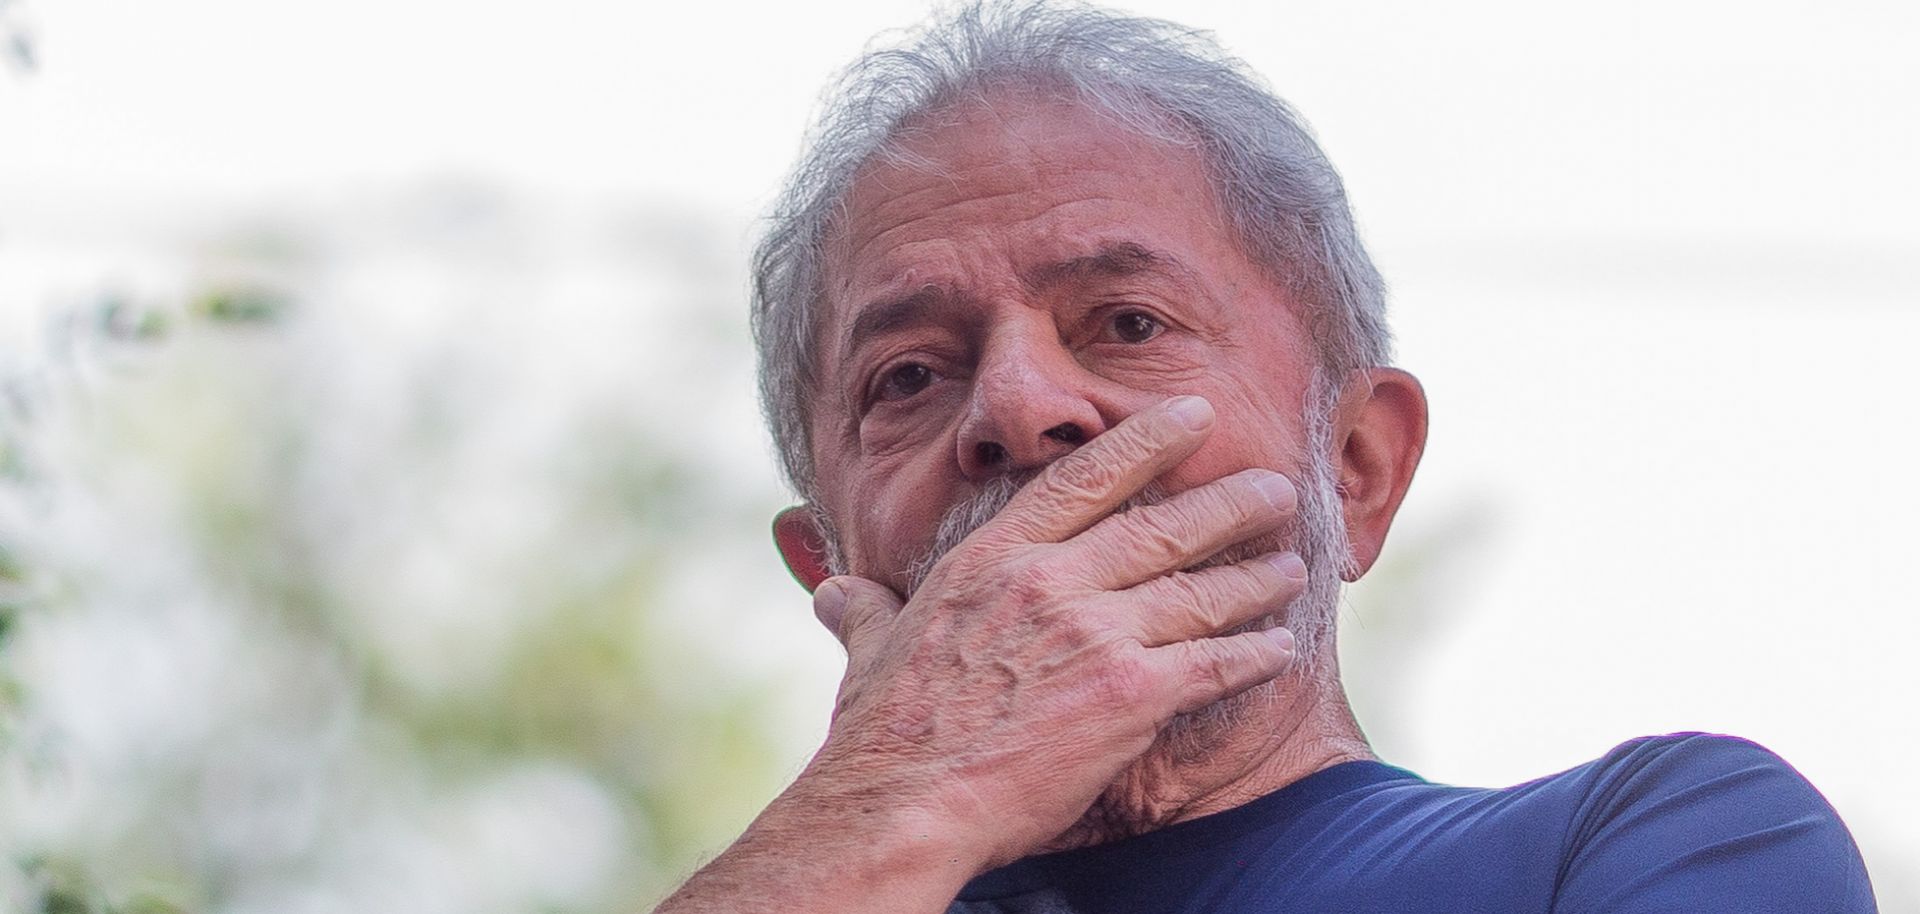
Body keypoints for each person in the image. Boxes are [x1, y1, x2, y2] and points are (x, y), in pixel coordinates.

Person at [655, 2, 1877, 911]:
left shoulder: (1647, 840)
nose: (1021, 410)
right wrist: (897, 798)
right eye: (909, 376)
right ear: (826, 562)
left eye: (1129, 325)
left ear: (1355, 468)